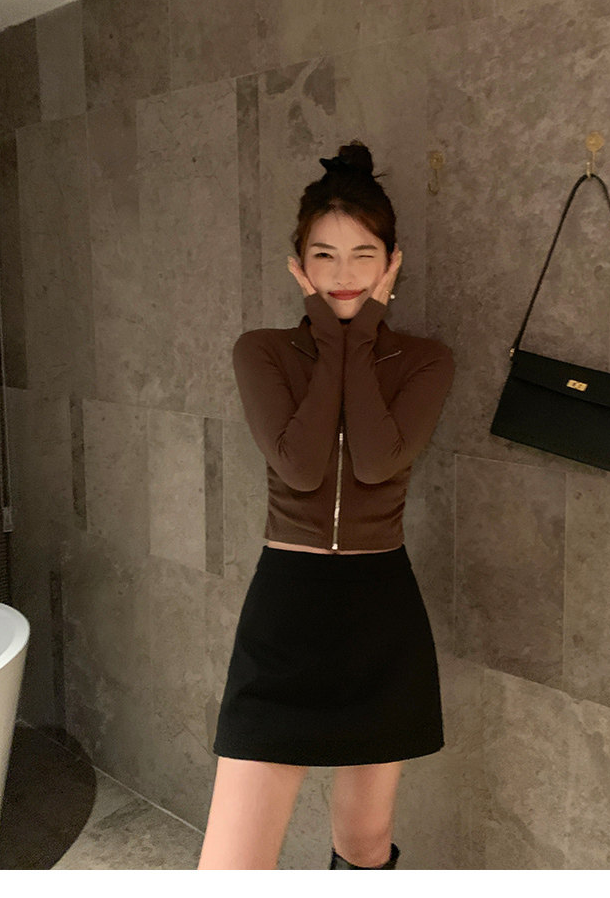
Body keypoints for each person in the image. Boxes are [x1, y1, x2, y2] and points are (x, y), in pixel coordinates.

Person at [197, 140, 455, 870]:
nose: (344, 276)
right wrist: (338, 338)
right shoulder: (263, 351)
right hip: (286, 611)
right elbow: (302, 468)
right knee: (230, 866)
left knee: (364, 844)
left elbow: (375, 461)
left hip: (381, 615)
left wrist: (358, 335)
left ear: (391, 263)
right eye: (325, 256)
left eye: (363, 255)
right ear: (300, 267)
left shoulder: (426, 361)